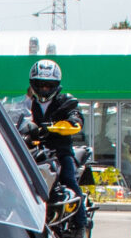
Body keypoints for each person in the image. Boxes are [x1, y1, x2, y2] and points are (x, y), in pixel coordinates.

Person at [21, 59, 85, 196]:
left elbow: (76, 117)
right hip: (32, 151)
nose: (44, 89)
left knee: (69, 180)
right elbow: (15, 116)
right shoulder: (27, 104)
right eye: (40, 84)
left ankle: (81, 217)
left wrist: (68, 124)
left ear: (56, 85)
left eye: (49, 85)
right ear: (33, 83)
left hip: (59, 152)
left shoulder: (65, 101)